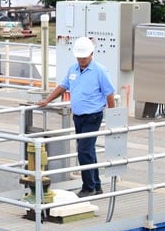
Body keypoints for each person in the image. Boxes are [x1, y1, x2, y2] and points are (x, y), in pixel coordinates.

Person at [37, 36, 115, 198]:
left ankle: (88, 187)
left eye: (84, 57)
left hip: (93, 116)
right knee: (88, 152)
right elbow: (62, 86)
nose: (81, 60)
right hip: (78, 116)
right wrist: (47, 100)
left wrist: (113, 116)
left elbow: (109, 93)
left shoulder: (99, 71)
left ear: (92, 54)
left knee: (83, 152)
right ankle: (96, 185)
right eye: (79, 57)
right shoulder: (73, 69)